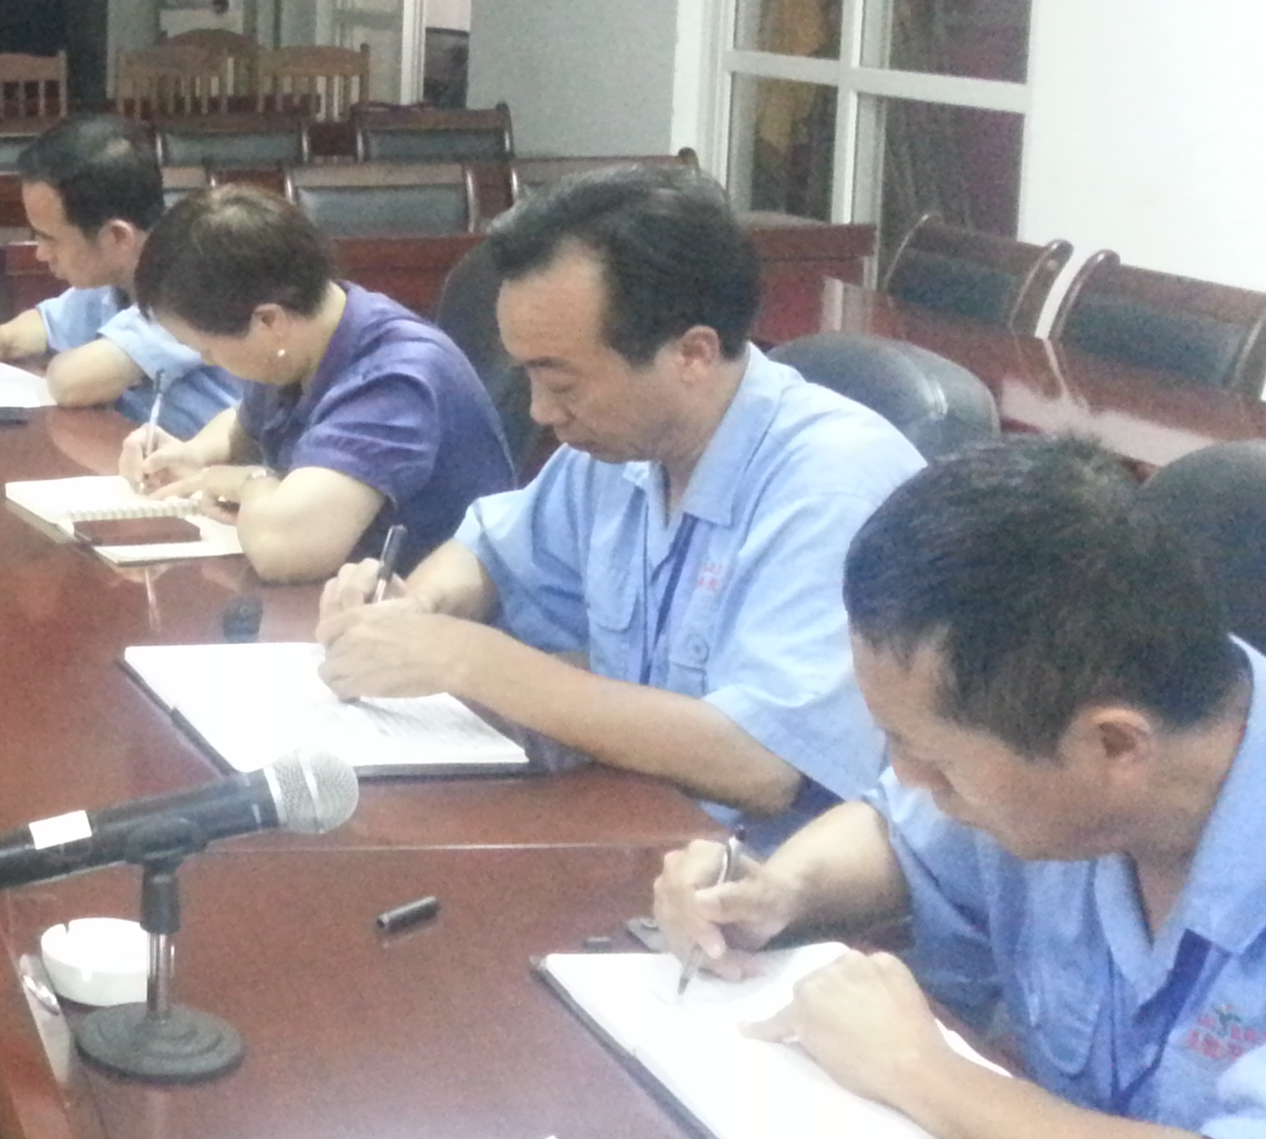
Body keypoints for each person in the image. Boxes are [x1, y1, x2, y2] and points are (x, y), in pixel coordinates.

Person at [657, 439, 1266, 1139]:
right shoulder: (1060, 753)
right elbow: (898, 834)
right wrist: (781, 889)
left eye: (936, 760)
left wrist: (921, 1071)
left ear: (1113, 746)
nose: (910, 780)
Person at [313, 164, 920, 841]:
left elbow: (762, 764)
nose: (541, 413)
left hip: (762, 878)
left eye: (563, 383)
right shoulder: (622, 448)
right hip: (628, 831)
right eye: (528, 375)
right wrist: (412, 611)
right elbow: (488, 553)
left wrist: (465, 659)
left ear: (692, 354)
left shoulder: (831, 485)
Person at [115, 184, 518, 581]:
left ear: (268, 321)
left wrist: (249, 482)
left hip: (427, 611)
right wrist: (194, 454)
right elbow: (244, 424)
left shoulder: (393, 380)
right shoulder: (305, 337)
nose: (208, 361)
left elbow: (286, 552)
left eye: (208, 350)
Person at [0, 115, 236, 438]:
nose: (40, 254)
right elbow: (46, 323)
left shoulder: (193, 283)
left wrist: (57, 365)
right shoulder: (114, 275)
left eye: (50, 239)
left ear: (117, 237)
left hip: (223, 466)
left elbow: (71, 383)